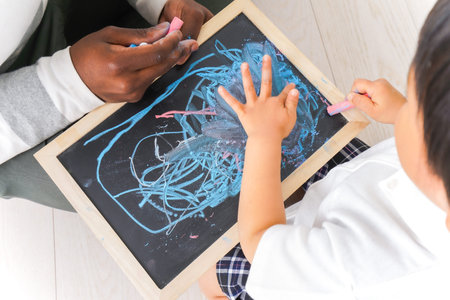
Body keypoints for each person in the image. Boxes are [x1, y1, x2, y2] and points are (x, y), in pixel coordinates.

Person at [199, 0, 450, 298]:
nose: (409, 103)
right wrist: (401, 112)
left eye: (416, 105)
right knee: (318, 139)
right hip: (369, 181)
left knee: (208, 275)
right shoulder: (438, 176)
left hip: (310, 271)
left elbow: (259, 239)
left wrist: (263, 138)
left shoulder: (358, 270)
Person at [0, 0, 220, 211]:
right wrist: (70, 83)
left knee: (215, 29)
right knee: (140, 180)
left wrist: (158, 3)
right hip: (12, 117)